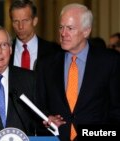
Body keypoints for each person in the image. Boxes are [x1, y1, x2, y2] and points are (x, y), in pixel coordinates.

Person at [36, 3, 120, 141]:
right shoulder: (46, 64)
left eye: (70, 28)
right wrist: (46, 119)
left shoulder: (110, 62)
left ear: (86, 31)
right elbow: (39, 106)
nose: (63, 33)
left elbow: (117, 111)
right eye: (61, 27)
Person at [9, 0, 60, 71]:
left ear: (35, 21)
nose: (20, 26)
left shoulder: (54, 51)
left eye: (25, 21)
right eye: (16, 21)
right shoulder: (5, 51)